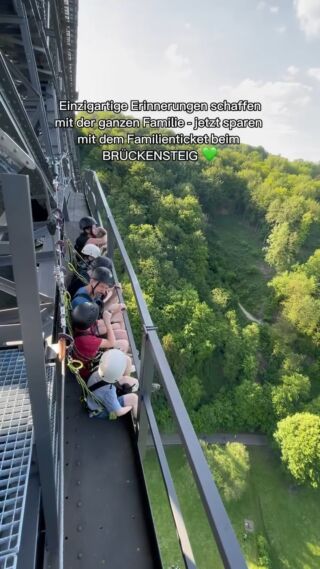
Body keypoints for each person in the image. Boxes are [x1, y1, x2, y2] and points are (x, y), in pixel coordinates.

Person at [72, 302, 130, 379]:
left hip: (90, 355)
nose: (96, 319)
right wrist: (107, 322)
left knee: (123, 342)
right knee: (125, 351)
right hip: (89, 371)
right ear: (89, 322)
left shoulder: (80, 325)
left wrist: (109, 311)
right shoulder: (87, 341)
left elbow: (99, 324)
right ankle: (122, 378)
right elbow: (111, 343)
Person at [86, 349, 139, 419]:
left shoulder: (99, 371)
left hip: (93, 397)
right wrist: (131, 406)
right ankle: (140, 423)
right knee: (134, 398)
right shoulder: (109, 391)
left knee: (127, 374)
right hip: (99, 412)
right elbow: (118, 412)